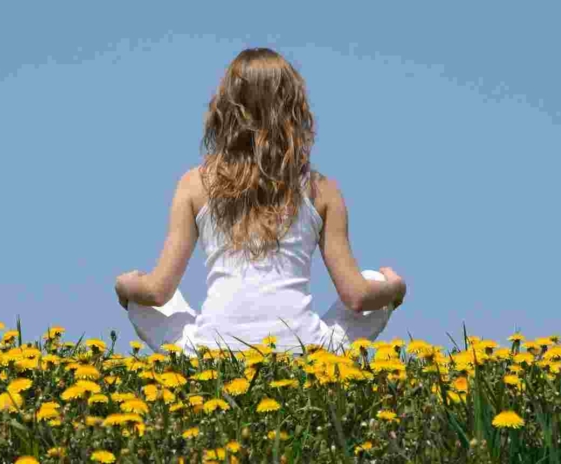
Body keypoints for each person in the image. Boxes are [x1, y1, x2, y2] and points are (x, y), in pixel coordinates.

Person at [114, 47, 407, 356]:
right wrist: (394, 289)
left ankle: (203, 356)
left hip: (212, 353)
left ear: (224, 109)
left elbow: (158, 292)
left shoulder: (192, 184)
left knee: (143, 296)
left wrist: (126, 286)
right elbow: (357, 296)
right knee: (374, 280)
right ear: (294, 110)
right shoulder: (323, 190)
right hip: (305, 352)